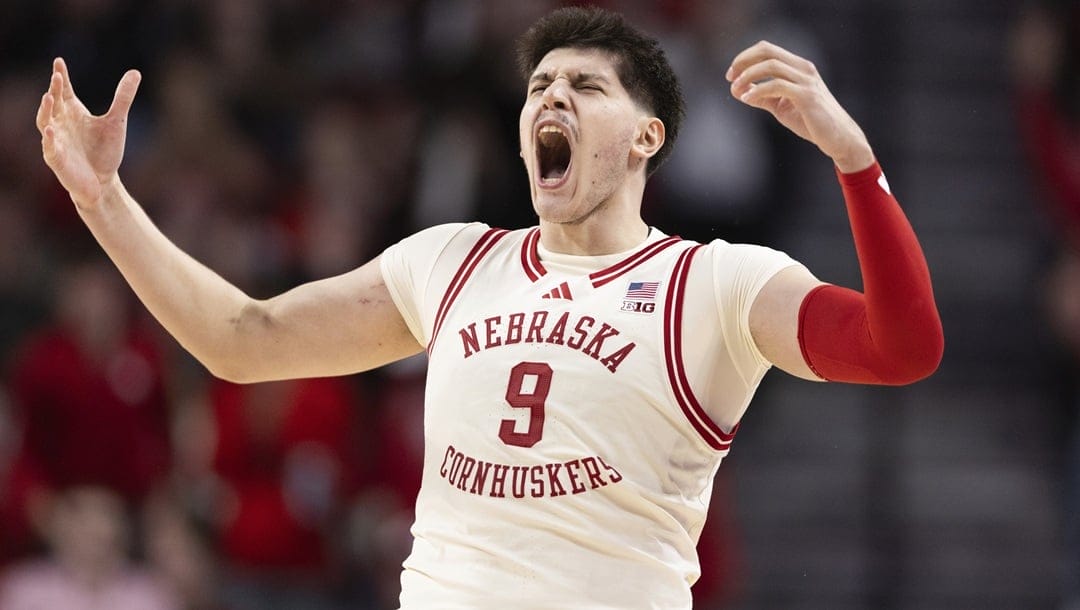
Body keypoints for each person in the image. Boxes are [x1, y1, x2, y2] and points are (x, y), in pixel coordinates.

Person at [36, 6, 943, 608]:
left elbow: (900, 347)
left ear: (646, 139)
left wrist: (855, 161)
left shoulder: (717, 281)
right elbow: (243, 339)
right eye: (540, 86)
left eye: (585, 87)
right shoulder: (453, 260)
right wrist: (105, 202)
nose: (552, 96)